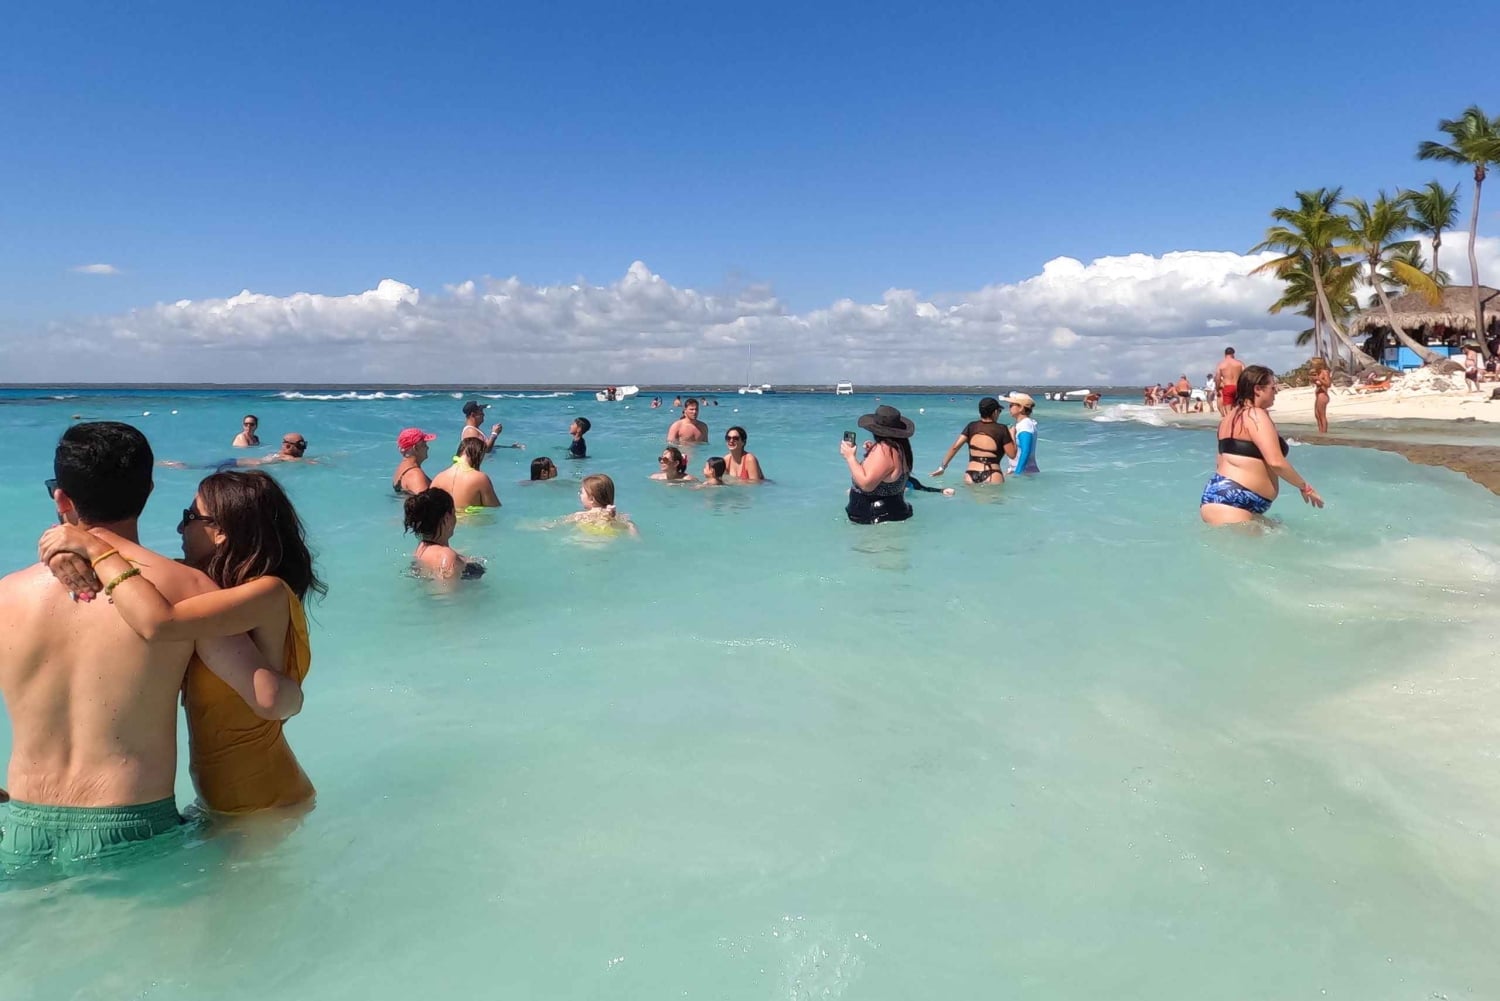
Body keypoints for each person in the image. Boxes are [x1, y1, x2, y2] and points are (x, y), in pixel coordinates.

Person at [1, 423, 300, 868]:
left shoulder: (7, 593)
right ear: (149, 490)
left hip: (19, 825)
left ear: (61, 499)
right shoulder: (187, 588)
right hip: (130, 824)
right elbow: (268, 699)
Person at [40, 470, 324, 815]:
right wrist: (63, 554)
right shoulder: (209, 593)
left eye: (189, 517)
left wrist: (92, 545)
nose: (179, 528)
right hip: (230, 803)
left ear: (221, 531)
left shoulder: (267, 593)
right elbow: (132, 572)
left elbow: (158, 621)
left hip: (266, 802)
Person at [1200, 365, 1324, 525]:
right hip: (1233, 503)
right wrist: (1304, 487)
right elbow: (1276, 462)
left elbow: (1220, 461)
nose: (1276, 391)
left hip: (1219, 497)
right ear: (1258, 389)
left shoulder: (1228, 418)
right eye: (1273, 387)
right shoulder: (1255, 415)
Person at [842, 404, 915, 524]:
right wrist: (872, 453)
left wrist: (850, 457)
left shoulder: (884, 450)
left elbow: (866, 485)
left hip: (875, 516)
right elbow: (888, 471)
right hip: (894, 511)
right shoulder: (900, 447)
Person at [403, 488, 485, 579]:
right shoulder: (447, 556)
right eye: (454, 513)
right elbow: (447, 592)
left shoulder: (421, 548)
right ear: (447, 518)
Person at [931, 396, 1015, 485]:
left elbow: (955, 447)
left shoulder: (971, 426)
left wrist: (942, 467)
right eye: (999, 411)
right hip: (993, 473)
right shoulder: (1002, 429)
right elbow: (1012, 454)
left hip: (971, 474)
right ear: (995, 412)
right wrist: (1012, 434)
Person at [553, 474, 639, 536]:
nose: (579, 494)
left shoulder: (580, 515)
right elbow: (631, 528)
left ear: (591, 499)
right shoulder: (619, 517)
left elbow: (555, 524)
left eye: (582, 492)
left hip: (585, 543)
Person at [430, 437, 501, 510]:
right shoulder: (480, 478)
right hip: (470, 520)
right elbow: (494, 507)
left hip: (446, 520)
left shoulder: (439, 477)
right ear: (480, 455)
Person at [459, 401, 523, 453]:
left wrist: (510, 447)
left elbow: (484, 446)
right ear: (473, 415)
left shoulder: (474, 429)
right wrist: (494, 434)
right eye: (481, 412)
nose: (484, 414)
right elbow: (486, 450)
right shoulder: (471, 432)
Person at [392, 428, 437, 496]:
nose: (427, 448)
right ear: (415, 448)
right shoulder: (415, 475)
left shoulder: (401, 468)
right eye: (424, 444)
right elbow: (425, 504)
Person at [1003, 393, 1040, 474]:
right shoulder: (1022, 424)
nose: (1009, 407)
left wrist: (1017, 473)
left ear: (1021, 408)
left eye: (1012, 405)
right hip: (1022, 471)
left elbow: (1026, 451)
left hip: (1025, 472)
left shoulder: (1025, 425)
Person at [1216, 347, 1245, 411]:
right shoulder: (1240, 363)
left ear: (1225, 354)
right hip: (1238, 387)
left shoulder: (1221, 364)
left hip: (1227, 387)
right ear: (1233, 354)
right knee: (1239, 409)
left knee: (1228, 413)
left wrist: (1217, 389)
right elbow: (1246, 374)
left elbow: (1217, 378)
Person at [1310, 357, 1332, 434]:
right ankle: (1321, 432)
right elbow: (1318, 384)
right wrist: (1313, 379)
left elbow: (1328, 384)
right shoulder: (1316, 372)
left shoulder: (1325, 372)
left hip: (1323, 395)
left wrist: (1319, 379)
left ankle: (1324, 433)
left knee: (1322, 416)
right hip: (1318, 394)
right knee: (1317, 415)